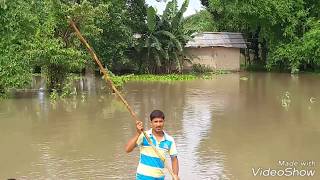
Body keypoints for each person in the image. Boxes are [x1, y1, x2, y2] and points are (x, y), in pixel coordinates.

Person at [125, 110, 179, 180]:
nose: (158, 124)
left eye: (160, 121)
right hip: (143, 177)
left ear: (164, 122)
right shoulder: (144, 136)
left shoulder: (169, 140)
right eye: (155, 122)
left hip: (160, 177)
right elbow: (127, 149)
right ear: (151, 123)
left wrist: (175, 175)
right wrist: (138, 133)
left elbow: (174, 159)